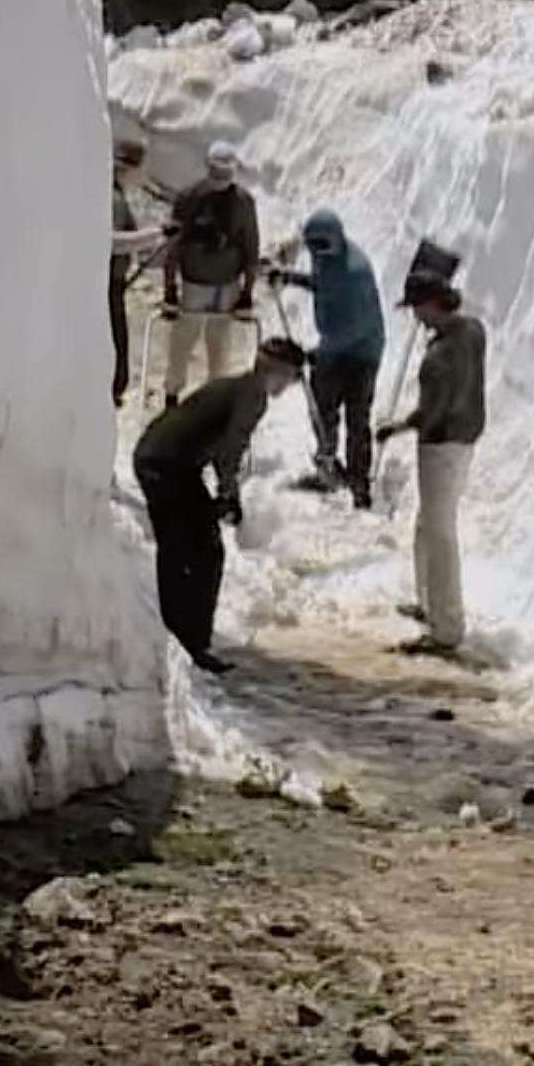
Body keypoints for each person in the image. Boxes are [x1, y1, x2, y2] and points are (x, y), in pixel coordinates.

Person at [134, 336, 310, 673]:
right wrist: (229, 493)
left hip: (163, 459)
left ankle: (182, 635)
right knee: (198, 552)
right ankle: (190, 642)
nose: (289, 386)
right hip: (168, 466)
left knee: (185, 549)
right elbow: (230, 449)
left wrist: (225, 493)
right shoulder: (252, 396)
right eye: (291, 377)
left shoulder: (237, 387)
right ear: (278, 370)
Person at [377, 276, 488, 656]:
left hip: (440, 447)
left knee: (439, 534)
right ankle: (429, 604)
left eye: (418, 309)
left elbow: (430, 413)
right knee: (427, 525)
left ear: (433, 304)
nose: (417, 318)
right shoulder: (474, 330)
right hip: (467, 439)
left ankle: (447, 628)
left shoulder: (437, 359)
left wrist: (396, 427)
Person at [269, 209, 384, 507]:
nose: (315, 253)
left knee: (357, 417)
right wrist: (290, 278)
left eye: (320, 246)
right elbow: (322, 283)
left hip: (362, 352)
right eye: (311, 246)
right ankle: (327, 468)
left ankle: (360, 483)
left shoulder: (355, 272)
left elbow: (354, 328)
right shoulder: (325, 258)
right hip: (333, 347)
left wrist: (318, 353)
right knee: (322, 407)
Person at [161, 140, 263, 400]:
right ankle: (172, 393)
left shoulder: (243, 203)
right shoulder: (188, 198)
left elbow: (251, 248)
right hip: (194, 283)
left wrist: (247, 292)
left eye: (225, 173)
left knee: (219, 347)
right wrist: (169, 289)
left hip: (227, 286)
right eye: (216, 172)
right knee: (182, 342)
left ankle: (213, 398)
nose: (221, 179)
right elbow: (173, 244)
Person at [110, 139, 169, 406]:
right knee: (114, 362)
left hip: (112, 285)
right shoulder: (113, 199)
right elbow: (110, 241)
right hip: (106, 287)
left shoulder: (114, 195)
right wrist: (155, 234)